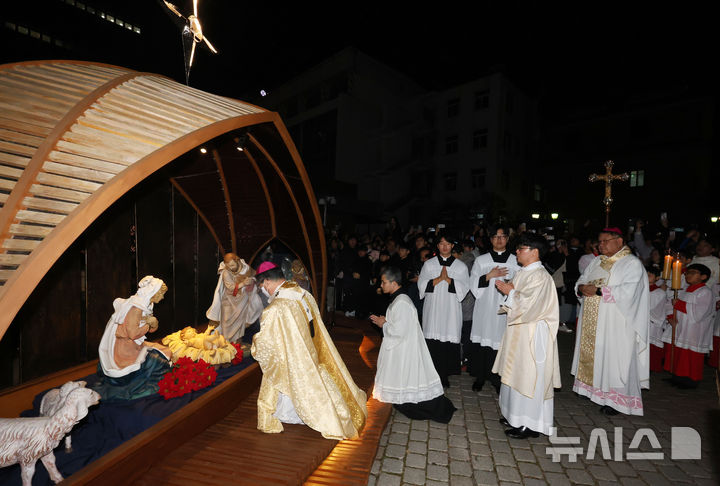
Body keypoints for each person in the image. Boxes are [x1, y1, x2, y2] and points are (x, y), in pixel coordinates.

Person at [251, 262, 367, 440]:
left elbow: (267, 345)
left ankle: (294, 414)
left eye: (262, 287)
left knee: (284, 377)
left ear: (266, 282)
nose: (264, 291)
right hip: (310, 349)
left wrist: (255, 342)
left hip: (293, 356)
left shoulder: (276, 308)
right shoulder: (301, 292)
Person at [571, 227, 649, 416]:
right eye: (599, 241)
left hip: (616, 321)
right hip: (593, 318)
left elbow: (630, 291)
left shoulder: (631, 263)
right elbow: (582, 280)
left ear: (620, 241)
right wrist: (581, 287)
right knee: (597, 353)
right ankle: (591, 390)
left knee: (615, 359)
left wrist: (597, 291)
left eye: (606, 241)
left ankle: (617, 401)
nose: (601, 244)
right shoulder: (597, 260)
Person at [493, 233, 561, 438]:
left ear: (535, 252)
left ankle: (529, 423)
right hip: (520, 332)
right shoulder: (525, 272)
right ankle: (514, 414)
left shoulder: (540, 276)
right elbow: (519, 296)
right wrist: (511, 290)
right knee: (515, 373)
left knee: (528, 376)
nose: (516, 252)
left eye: (521, 249)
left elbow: (530, 305)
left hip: (533, 336)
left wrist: (510, 292)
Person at [370, 267, 456, 423]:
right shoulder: (399, 299)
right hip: (402, 346)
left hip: (404, 348)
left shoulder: (402, 302)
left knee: (408, 376)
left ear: (393, 283)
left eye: (383, 282)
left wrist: (384, 324)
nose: (381, 285)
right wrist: (386, 321)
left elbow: (399, 331)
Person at [95, 276, 173, 401]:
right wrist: (148, 324)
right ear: (153, 292)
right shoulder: (136, 308)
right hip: (125, 349)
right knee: (158, 359)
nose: (162, 297)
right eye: (161, 294)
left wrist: (153, 324)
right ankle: (141, 385)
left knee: (165, 351)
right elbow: (133, 334)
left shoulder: (146, 305)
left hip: (134, 344)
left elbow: (149, 330)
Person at [467, 226, 518, 393]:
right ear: (490, 239)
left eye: (503, 236)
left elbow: (521, 285)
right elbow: (473, 285)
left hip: (505, 309)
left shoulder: (515, 261)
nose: (499, 239)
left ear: (507, 239)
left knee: (500, 343)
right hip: (485, 309)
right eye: (496, 236)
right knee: (483, 342)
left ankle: (498, 379)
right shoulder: (482, 261)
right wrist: (488, 276)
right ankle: (480, 377)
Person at [417, 232, 470, 387]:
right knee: (433, 341)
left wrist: (448, 280)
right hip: (433, 308)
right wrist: (438, 279)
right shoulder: (429, 264)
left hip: (451, 310)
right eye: (441, 243)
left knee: (447, 340)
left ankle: (445, 375)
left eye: (448, 244)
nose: (445, 246)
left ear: (452, 246)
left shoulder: (460, 266)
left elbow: (464, 288)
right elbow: (421, 285)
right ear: (438, 246)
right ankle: (431, 375)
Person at [664, 264, 714, 388]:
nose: (689, 275)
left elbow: (700, 312)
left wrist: (679, 304)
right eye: (688, 272)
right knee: (680, 353)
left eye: (693, 272)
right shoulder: (684, 290)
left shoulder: (705, 292)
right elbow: (671, 304)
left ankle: (691, 381)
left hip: (694, 331)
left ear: (703, 276)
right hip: (681, 327)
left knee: (690, 355)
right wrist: (671, 317)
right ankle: (677, 377)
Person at [206, 253, 263, 342]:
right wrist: (243, 283)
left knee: (239, 322)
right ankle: (226, 341)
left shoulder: (246, 269)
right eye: (229, 266)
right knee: (226, 321)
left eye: (232, 265)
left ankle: (236, 342)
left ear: (237, 261)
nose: (231, 267)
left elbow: (255, 278)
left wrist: (251, 281)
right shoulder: (226, 272)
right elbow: (230, 287)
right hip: (228, 300)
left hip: (242, 301)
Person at [647, 266, 670, 372]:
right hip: (642, 322)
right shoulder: (639, 288)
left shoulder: (659, 292)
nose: (646, 277)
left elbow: (650, 306)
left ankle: (650, 368)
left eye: (649, 275)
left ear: (657, 278)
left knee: (650, 347)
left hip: (652, 323)